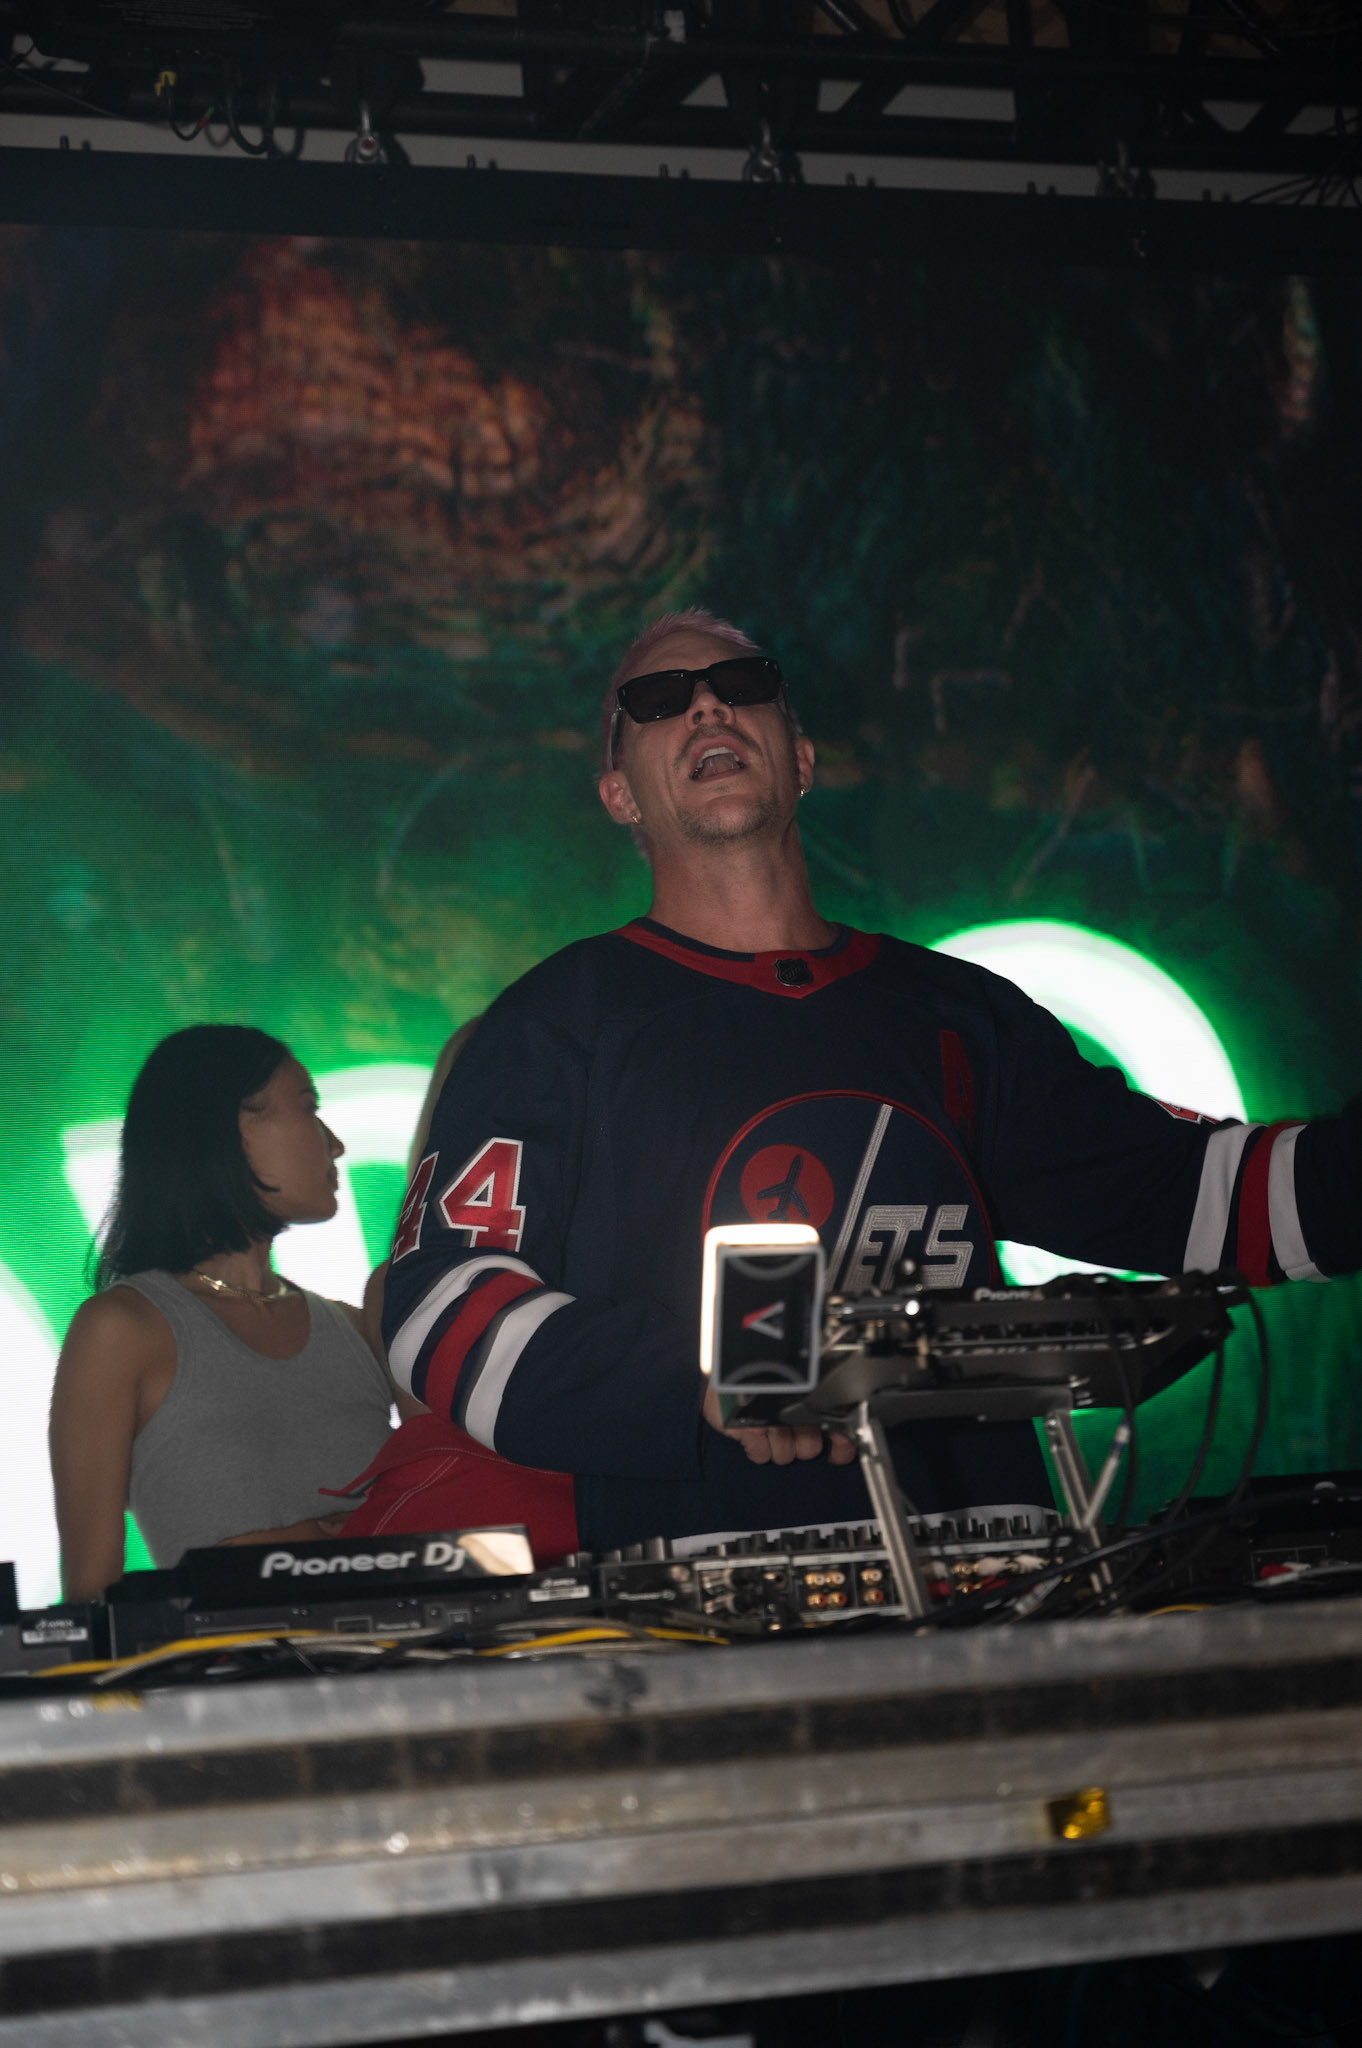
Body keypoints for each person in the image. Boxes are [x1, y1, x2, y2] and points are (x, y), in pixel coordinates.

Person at [380, 608, 1362, 1558]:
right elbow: (439, 1306)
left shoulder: (957, 1013)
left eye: (742, 683)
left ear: (803, 760)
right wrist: (700, 1383)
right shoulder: (557, 1024)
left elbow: (1198, 1193)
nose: (708, 707)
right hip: (706, 1606)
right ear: (618, 794)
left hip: (1003, 1578)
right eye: (660, 698)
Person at [50, 1024, 414, 1601]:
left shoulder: (358, 1328)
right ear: (230, 1127)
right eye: (309, 1109)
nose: (336, 1144)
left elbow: (457, 1512)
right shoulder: (120, 1329)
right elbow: (92, 1594)